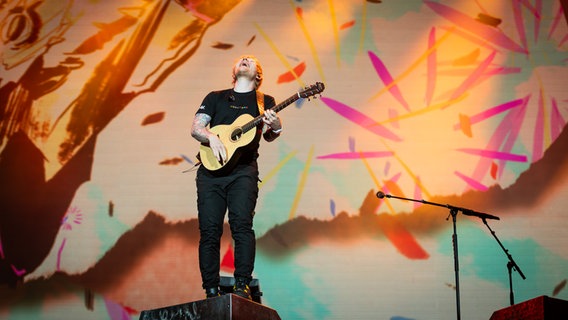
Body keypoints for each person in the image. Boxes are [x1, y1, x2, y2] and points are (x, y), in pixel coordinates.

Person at [190, 55, 282, 300]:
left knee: (242, 226)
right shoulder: (215, 97)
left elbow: (269, 136)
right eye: (242, 59)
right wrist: (211, 137)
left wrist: (277, 126)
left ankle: (242, 284)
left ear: (258, 75)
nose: (245, 59)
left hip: (243, 172)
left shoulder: (266, 102)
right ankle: (210, 289)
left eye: (251, 60)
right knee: (209, 231)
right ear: (234, 70)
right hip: (210, 173)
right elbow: (196, 128)